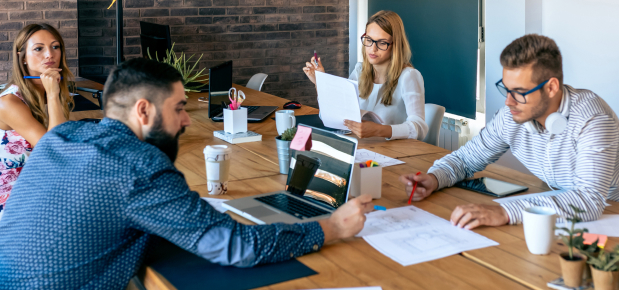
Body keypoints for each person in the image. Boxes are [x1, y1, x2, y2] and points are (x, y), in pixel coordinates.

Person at [0, 58, 373, 289]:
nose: (184, 121)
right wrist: (332, 228)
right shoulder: (139, 167)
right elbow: (235, 246)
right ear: (143, 111)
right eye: (179, 107)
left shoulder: (61, 135)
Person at [399, 34, 619, 229]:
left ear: (551, 87)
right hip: (561, 222)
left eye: (519, 92)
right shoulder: (513, 116)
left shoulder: (592, 118)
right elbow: (465, 159)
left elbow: (588, 201)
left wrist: (504, 211)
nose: (508, 102)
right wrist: (434, 178)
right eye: (506, 89)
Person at [303, 10, 428, 140]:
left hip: (393, 153)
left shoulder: (409, 76)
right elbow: (334, 118)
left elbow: (419, 128)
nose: (373, 49)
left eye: (382, 43)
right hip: (363, 148)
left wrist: (379, 130)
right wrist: (320, 83)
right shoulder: (359, 70)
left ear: (395, 45)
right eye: (369, 40)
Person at [0, 23, 74, 214]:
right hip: (13, 201)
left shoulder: (43, 91)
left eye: (55, 47)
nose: (50, 54)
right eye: (39, 49)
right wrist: (52, 94)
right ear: (22, 57)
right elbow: (54, 151)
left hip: (38, 186)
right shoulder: (9, 102)